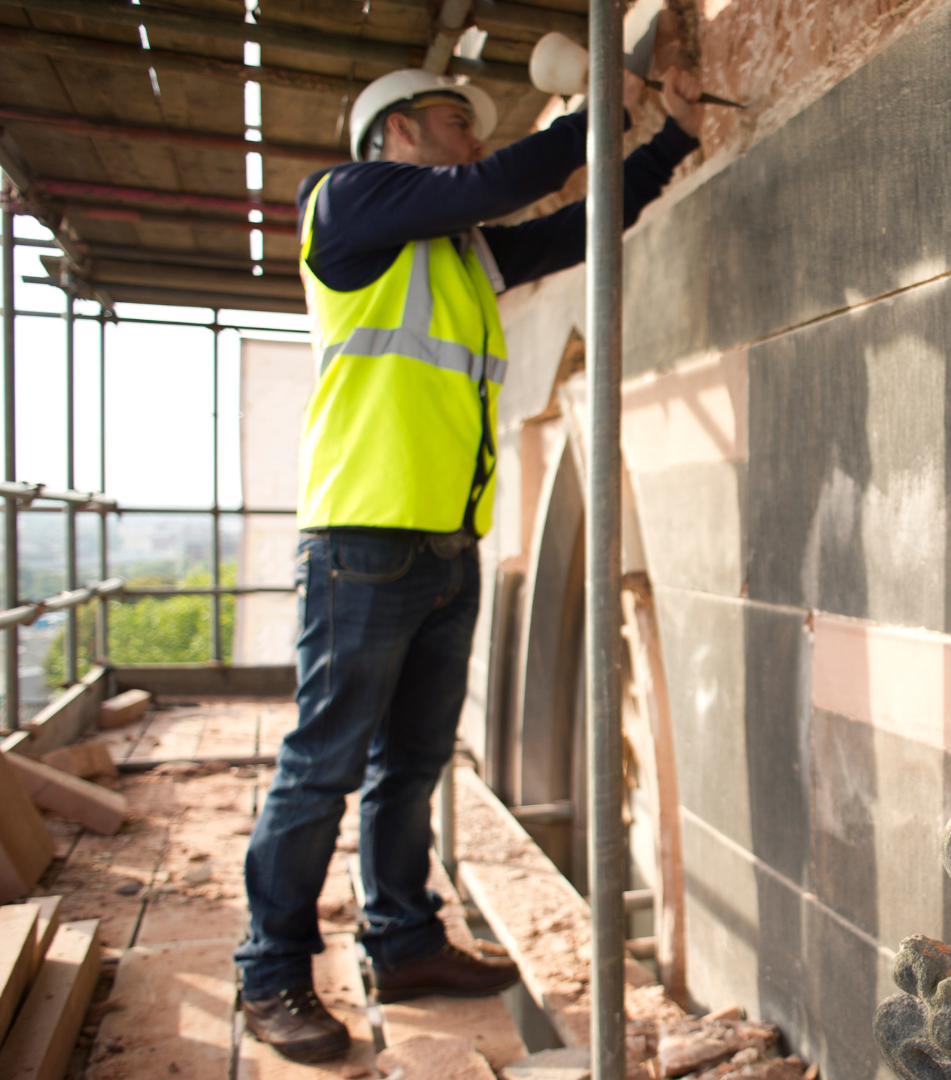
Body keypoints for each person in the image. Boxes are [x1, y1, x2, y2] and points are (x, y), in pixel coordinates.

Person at [236, 64, 705, 1063]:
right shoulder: (348, 204)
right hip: (362, 541)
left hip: (445, 547)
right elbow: (500, 186)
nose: (474, 140)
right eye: (459, 121)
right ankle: (270, 973)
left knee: (410, 763)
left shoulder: (455, 254)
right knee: (321, 769)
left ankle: (402, 940)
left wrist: (668, 143)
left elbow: (574, 227)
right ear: (398, 130)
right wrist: (597, 113)